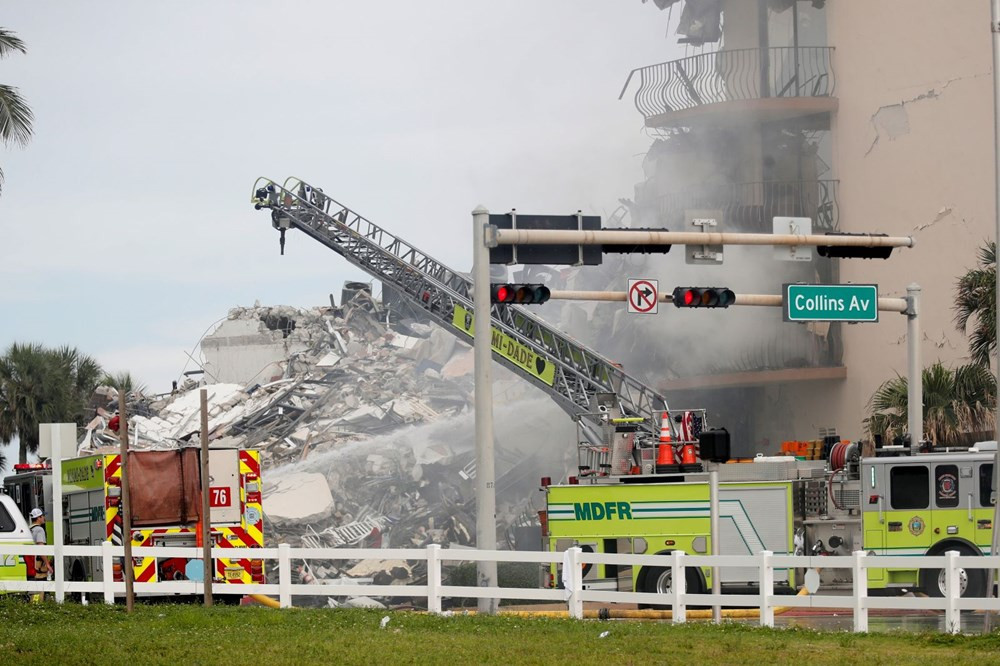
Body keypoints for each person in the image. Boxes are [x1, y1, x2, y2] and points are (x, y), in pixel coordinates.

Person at [29, 508, 49, 601]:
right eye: (42, 516)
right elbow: (41, 548)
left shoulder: (29, 529)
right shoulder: (40, 530)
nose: (44, 518)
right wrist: (47, 563)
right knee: (40, 585)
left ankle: (33, 604)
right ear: (38, 518)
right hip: (38, 564)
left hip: (30, 563)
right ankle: (38, 605)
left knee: (33, 586)